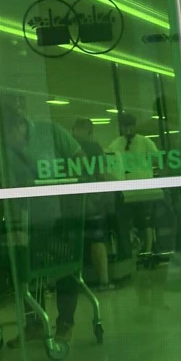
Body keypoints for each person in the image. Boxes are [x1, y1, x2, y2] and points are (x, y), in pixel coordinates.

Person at [0, 101, 83, 347]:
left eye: (3, 136)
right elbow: (3, 185)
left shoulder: (50, 132)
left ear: (18, 126)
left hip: (62, 214)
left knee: (65, 267)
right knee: (25, 271)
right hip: (24, 219)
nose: (0, 143)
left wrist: (67, 184)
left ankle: (65, 323)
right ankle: (34, 324)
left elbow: (80, 161)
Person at [106, 112, 163, 258]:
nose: (128, 130)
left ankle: (148, 250)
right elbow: (109, 161)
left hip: (144, 188)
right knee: (128, 221)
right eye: (125, 127)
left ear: (134, 126)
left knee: (146, 220)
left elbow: (158, 160)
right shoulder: (116, 144)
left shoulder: (145, 142)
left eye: (130, 127)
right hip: (126, 190)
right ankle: (132, 248)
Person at [72, 118, 115, 288]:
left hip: (68, 200)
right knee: (96, 237)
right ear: (90, 132)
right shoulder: (93, 147)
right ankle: (103, 280)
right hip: (90, 199)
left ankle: (74, 281)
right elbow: (100, 174)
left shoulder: (63, 145)